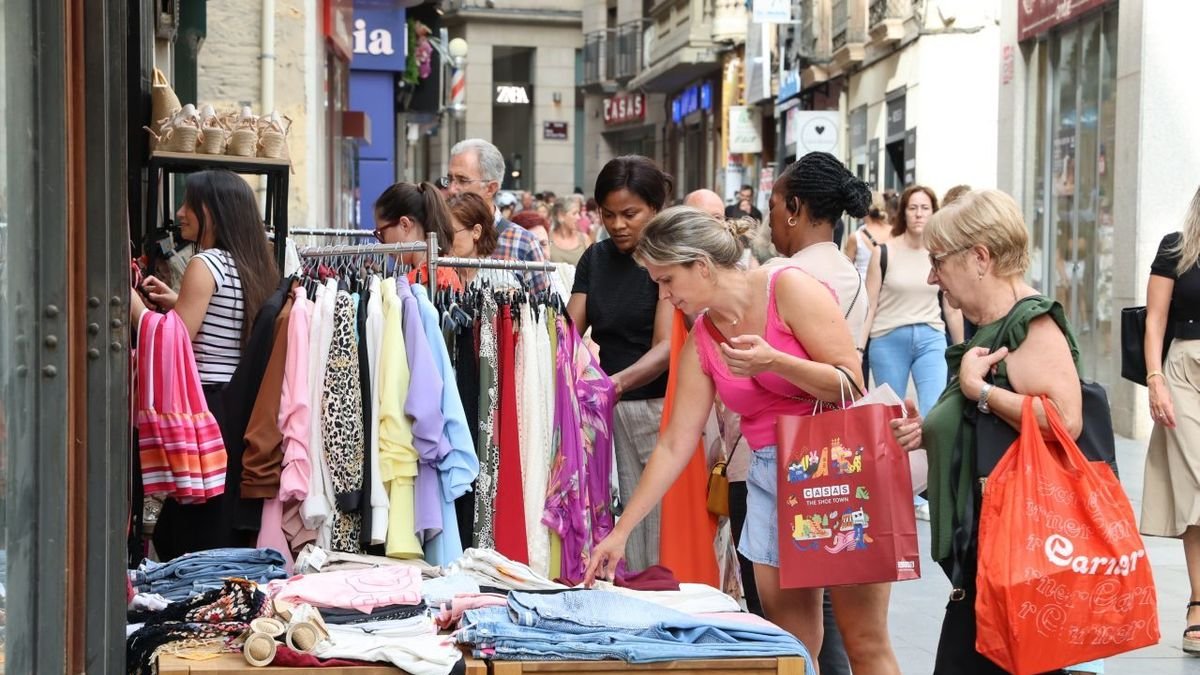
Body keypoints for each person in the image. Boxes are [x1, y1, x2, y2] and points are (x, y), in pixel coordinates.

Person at [585, 206, 901, 675]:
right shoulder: (703, 338)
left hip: (836, 471)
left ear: (702, 265)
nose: (664, 295)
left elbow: (849, 382)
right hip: (770, 479)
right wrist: (622, 530)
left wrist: (774, 361)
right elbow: (675, 443)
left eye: (667, 280)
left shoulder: (785, 287)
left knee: (864, 641)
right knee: (792, 648)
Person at [890, 189, 1083, 672]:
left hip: (1015, 557)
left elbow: (1065, 419)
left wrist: (977, 390)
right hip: (988, 561)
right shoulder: (991, 327)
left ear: (980, 258)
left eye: (939, 261)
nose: (933, 276)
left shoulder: (1030, 324)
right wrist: (931, 429)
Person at [132, 169, 281, 558]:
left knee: (189, 533)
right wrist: (175, 302)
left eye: (188, 204)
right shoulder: (252, 264)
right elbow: (215, 323)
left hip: (202, 410)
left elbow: (173, 342)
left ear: (211, 212)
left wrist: (136, 310)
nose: (180, 213)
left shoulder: (205, 264)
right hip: (234, 410)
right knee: (217, 529)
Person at [764, 150, 870, 675]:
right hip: (841, 454)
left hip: (786, 453)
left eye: (774, 206)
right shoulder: (852, 273)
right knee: (831, 601)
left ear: (796, 208)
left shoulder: (782, 276)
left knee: (791, 612)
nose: (769, 220)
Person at [568, 155, 674, 572]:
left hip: (659, 410)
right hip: (607, 411)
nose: (618, 224)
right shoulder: (595, 260)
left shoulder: (668, 260)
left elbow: (665, 347)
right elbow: (569, 333)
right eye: (607, 214)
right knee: (620, 526)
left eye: (630, 214)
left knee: (656, 532)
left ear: (655, 209)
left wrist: (614, 385)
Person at [1141, 185, 1200, 656]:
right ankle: (1199, 605)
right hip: (1184, 371)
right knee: (1196, 484)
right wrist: (1155, 377)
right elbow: (1155, 320)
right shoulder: (1177, 247)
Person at [865, 185, 963, 414]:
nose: (919, 214)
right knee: (892, 416)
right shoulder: (883, 252)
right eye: (913, 208)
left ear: (934, 213)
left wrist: (962, 353)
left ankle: (932, 451)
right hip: (888, 338)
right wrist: (858, 349)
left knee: (934, 412)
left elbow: (952, 308)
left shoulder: (941, 255)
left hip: (931, 337)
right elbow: (869, 305)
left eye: (925, 208)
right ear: (903, 212)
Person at [445, 138, 548, 292]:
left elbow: (543, 309)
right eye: (450, 179)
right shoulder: (436, 235)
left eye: (462, 180)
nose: (452, 189)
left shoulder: (523, 243)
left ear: (490, 188)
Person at [373, 181, 463, 291]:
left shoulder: (415, 286)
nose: (381, 242)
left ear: (404, 225)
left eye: (382, 233)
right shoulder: (447, 272)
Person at [445, 192, 521, 290]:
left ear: (476, 232)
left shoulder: (503, 283)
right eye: (442, 233)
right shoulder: (438, 276)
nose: (444, 239)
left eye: (451, 232)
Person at [844, 191, 892, 280]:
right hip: (889, 289)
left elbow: (846, 271)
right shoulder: (894, 232)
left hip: (866, 290)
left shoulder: (856, 237)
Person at [548, 195, 590, 265]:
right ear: (560, 216)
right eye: (574, 213)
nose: (578, 217)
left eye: (578, 213)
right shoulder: (547, 239)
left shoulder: (584, 239)